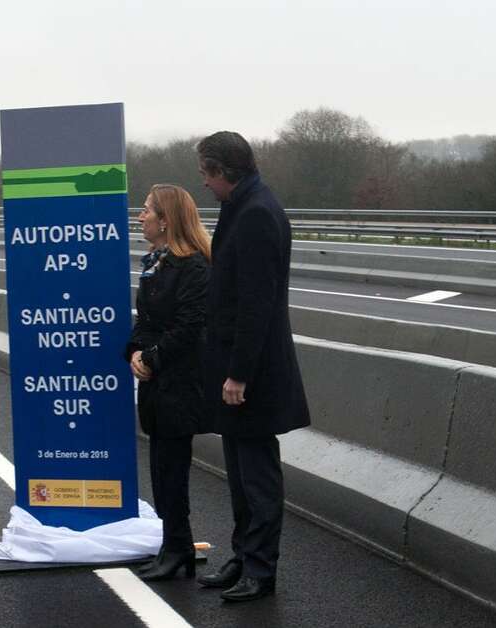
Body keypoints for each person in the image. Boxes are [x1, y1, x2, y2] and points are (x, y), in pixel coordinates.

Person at [193, 132, 310, 602]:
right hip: (239, 367)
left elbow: (256, 305)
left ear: (222, 171)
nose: (203, 183)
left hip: (254, 374)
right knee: (240, 475)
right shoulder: (242, 205)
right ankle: (243, 557)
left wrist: (239, 373)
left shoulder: (258, 213)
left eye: (205, 173)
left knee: (258, 476)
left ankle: (261, 570)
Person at [126, 184, 210, 582]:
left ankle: (180, 548)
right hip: (158, 383)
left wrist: (153, 359)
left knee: (173, 470)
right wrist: (134, 353)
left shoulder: (193, 266)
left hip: (180, 383)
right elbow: (146, 321)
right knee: (160, 469)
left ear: (166, 220)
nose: (140, 217)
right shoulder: (154, 263)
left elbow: (189, 326)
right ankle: (172, 545)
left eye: (146, 211)